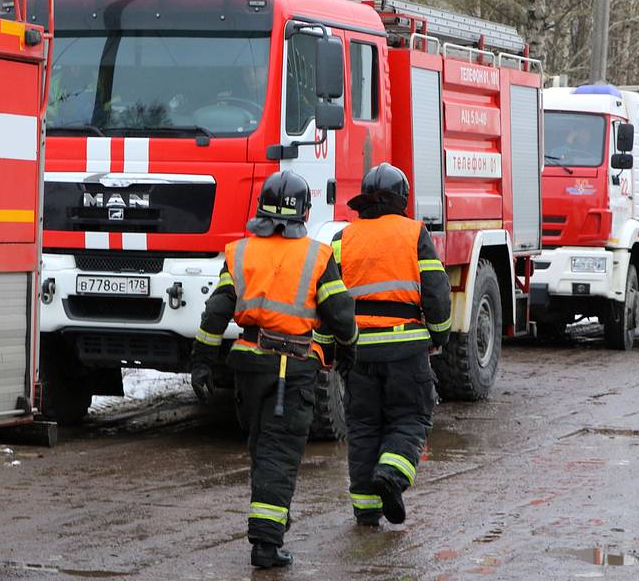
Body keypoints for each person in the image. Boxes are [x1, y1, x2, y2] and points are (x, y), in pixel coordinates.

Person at [190, 170, 357, 569]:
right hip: (293, 368)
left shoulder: (241, 253)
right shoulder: (318, 256)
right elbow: (340, 314)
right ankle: (266, 543)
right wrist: (347, 349)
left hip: (249, 365)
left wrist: (201, 361)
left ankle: (270, 525)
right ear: (305, 213)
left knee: (262, 450)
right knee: (279, 455)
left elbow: (216, 312)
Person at [332, 163, 451, 527]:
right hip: (405, 349)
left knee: (364, 427)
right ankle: (391, 475)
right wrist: (439, 334)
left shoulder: (342, 238)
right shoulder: (414, 233)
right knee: (411, 418)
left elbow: (331, 301)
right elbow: (436, 291)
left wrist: (334, 349)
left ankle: (366, 510)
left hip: (358, 351)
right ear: (402, 199)